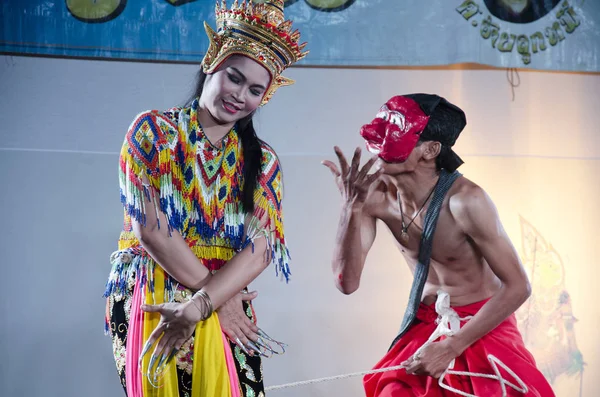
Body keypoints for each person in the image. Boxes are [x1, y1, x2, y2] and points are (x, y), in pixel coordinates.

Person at [103, 1, 308, 396]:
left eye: (254, 90)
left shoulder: (263, 161)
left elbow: (262, 248)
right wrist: (216, 299)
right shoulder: (152, 133)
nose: (240, 96)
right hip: (155, 286)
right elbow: (153, 233)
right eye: (234, 77)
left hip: (219, 294)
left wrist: (204, 303)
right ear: (211, 60)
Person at [322, 94, 555, 396]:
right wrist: (350, 208)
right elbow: (346, 283)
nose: (381, 142)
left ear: (431, 149)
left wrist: (451, 347)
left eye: (398, 132)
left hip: (483, 324)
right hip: (428, 322)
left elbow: (518, 286)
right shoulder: (373, 197)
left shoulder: (466, 201)